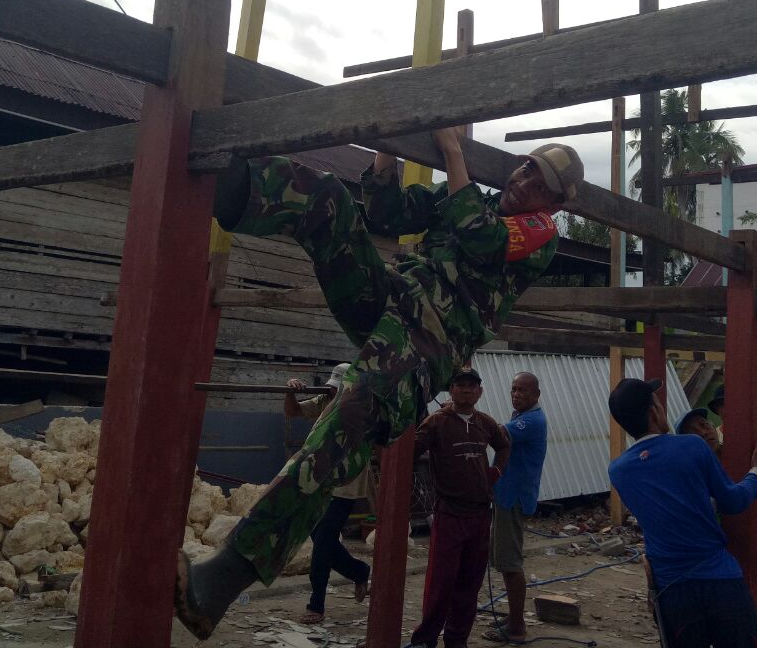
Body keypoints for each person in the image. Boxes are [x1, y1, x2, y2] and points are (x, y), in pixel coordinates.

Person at [175, 131, 582, 639]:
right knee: (328, 199)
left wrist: (454, 152)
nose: (524, 183)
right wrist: (388, 144)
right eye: (525, 169)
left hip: (429, 341)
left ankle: (221, 580)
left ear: (553, 204)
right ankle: (213, 181)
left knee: (349, 416)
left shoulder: (539, 234)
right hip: (390, 297)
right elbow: (387, 213)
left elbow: (482, 237)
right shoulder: (462, 197)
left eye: (539, 185)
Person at [608, 378, 757, 648]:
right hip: (719, 580)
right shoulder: (692, 446)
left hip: (672, 589)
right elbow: (733, 501)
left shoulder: (618, 470)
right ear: (654, 412)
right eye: (658, 403)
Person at [676, 408, 757, 648]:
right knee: (744, 627)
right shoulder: (698, 472)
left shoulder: (744, 449)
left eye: (705, 425)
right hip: (738, 553)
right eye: (694, 432)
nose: (704, 432)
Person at [411, 367, 511, 648]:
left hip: (480, 514)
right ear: (451, 390)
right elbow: (411, 452)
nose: (466, 390)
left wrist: (496, 471)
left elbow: (504, 446)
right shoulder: (436, 422)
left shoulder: (485, 422)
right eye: (461, 385)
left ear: (480, 392)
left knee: (469, 583)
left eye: (472, 386)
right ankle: (425, 639)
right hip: (449, 513)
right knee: (440, 583)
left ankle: (457, 640)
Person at [284, 364, 372, 623]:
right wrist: (290, 391)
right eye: (332, 387)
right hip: (318, 480)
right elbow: (293, 411)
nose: (333, 391)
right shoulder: (325, 400)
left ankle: (316, 605)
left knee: (323, 542)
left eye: (338, 388)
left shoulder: (362, 407)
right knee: (322, 539)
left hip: (345, 484)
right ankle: (359, 571)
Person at [486, 371, 547, 644]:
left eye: (523, 390)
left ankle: (517, 627)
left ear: (536, 394)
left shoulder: (531, 421)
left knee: (510, 563)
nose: (516, 394)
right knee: (503, 559)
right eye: (514, 389)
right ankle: (513, 617)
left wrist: (467, 418)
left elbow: (497, 434)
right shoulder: (521, 417)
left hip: (513, 497)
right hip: (505, 495)